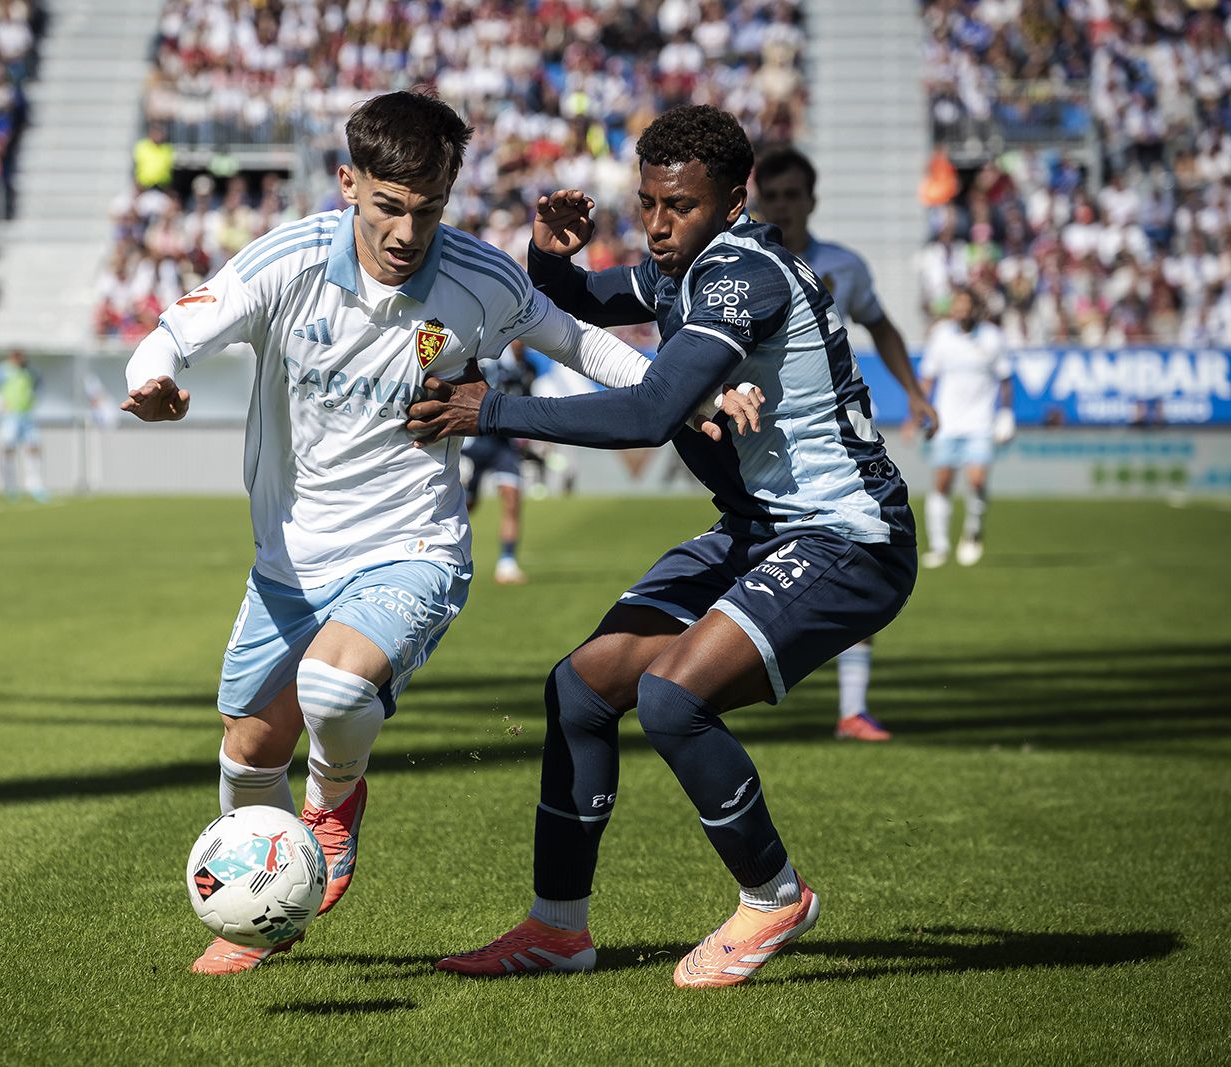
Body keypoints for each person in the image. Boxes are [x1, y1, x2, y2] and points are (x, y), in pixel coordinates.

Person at [121, 90, 757, 977]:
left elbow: (583, 344)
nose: (406, 232)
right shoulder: (288, 262)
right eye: (388, 206)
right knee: (247, 750)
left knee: (333, 688)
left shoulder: (477, 278)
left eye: (427, 210)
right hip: (289, 560)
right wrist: (151, 381)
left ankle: (334, 804)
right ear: (349, 183)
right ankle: (259, 914)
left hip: (412, 545)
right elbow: (170, 335)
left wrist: (693, 388)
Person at [409, 104, 918, 988]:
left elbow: (650, 412)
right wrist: (548, 258)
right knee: (581, 688)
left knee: (673, 697)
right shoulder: (687, 269)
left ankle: (774, 896)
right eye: (647, 202)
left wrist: (491, 410)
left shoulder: (743, 276)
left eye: (678, 206)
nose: (656, 223)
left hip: (846, 537)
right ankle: (557, 930)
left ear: (732, 202)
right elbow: (582, 299)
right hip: (757, 531)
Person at [754, 147, 940, 743]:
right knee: (747, 569)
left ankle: (852, 710)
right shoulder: (740, 265)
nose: (781, 205)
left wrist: (914, 392)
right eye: (771, 196)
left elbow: (880, 324)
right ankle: (698, 690)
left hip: (830, 446)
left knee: (859, 555)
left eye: (791, 195)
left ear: (812, 200)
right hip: (755, 447)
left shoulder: (843, 267)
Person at [918, 287, 1013, 568]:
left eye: (966, 305)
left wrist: (1006, 414)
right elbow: (928, 378)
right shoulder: (940, 335)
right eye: (957, 304)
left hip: (980, 423)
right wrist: (919, 414)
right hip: (947, 423)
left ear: (975, 308)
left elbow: (1005, 379)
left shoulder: (992, 337)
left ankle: (973, 532)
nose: (961, 310)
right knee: (942, 482)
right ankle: (939, 546)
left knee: (977, 480)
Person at [462, 343, 536, 584]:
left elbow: (527, 399)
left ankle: (507, 563)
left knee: (512, 498)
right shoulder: (490, 361)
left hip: (503, 444)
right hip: (475, 441)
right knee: (464, 505)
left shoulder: (528, 367)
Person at [0, 348, 48, 502]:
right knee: (8, 450)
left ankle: (34, 483)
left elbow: (39, 385)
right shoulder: (2, 371)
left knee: (34, 447)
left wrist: (34, 400)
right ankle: (10, 486)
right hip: (9, 417)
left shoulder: (30, 371)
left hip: (26, 416)